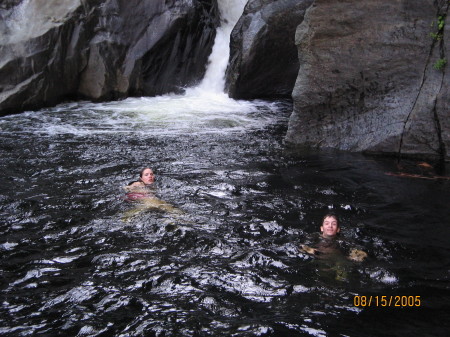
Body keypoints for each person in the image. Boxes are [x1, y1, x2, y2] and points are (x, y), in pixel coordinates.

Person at [300, 213, 367, 262]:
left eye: (334, 224)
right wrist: (314, 252)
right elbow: (301, 247)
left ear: (338, 229)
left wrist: (348, 258)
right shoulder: (313, 238)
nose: (330, 226)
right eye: (327, 223)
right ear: (322, 228)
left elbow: (362, 255)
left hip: (337, 263)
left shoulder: (343, 242)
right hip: (319, 261)